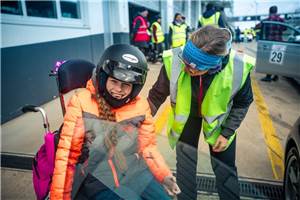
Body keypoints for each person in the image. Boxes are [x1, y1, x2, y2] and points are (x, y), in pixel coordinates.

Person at [50, 44, 180, 199]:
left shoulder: (140, 106)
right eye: (114, 81)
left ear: (136, 87)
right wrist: (59, 197)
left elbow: (148, 148)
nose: (119, 89)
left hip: (132, 171)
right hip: (98, 179)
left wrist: (164, 175)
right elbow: (67, 155)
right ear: (103, 76)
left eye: (126, 85)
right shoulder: (82, 102)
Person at [148, 25, 255, 200]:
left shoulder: (238, 68)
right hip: (187, 116)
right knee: (185, 165)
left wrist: (227, 133)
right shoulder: (175, 59)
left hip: (220, 123)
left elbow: (243, 102)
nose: (185, 70)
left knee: (225, 169)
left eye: (193, 69)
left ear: (214, 65)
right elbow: (155, 96)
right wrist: (138, 120)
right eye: (185, 63)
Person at [256, 5, 286, 82]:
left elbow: (257, 27)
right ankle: (276, 76)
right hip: (279, 42)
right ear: (276, 11)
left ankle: (268, 77)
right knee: (277, 60)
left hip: (270, 42)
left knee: (270, 59)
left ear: (269, 11)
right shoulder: (281, 20)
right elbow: (285, 28)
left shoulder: (267, 20)